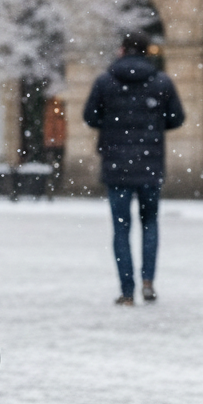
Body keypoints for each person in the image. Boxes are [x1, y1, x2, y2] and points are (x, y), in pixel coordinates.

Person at [83, 30, 185, 305]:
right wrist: (153, 125)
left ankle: (127, 292)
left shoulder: (105, 81)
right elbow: (177, 118)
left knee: (120, 228)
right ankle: (148, 282)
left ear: (122, 50)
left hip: (116, 165)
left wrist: (112, 123)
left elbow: (90, 116)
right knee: (150, 223)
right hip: (150, 164)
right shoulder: (161, 81)